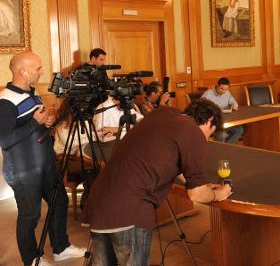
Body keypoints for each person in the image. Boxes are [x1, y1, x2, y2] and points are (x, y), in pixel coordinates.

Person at [83, 100, 232, 265]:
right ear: (209, 120)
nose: (207, 138)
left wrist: (200, 183)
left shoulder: (162, 114)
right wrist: (219, 194)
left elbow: (164, 155)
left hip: (99, 203)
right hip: (129, 211)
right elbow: (196, 194)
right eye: (210, 133)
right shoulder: (193, 132)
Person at [0, 52, 84, 266]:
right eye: (38, 68)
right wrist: (34, 123)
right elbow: (5, 140)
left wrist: (47, 121)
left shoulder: (32, 93)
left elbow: (34, 123)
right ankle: (32, 259)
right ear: (23, 71)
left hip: (45, 163)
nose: (42, 71)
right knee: (30, 215)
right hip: (23, 170)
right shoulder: (6, 101)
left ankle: (61, 248)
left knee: (59, 201)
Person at [201, 77, 244, 144]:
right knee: (222, 134)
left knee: (239, 130)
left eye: (225, 89)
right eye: (221, 88)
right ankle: (224, 148)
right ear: (217, 85)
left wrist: (234, 105)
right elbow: (201, 108)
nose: (223, 91)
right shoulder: (208, 94)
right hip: (214, 123)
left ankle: (226, 148)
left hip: (225, 121)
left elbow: (234, 103)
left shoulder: (227, 93)